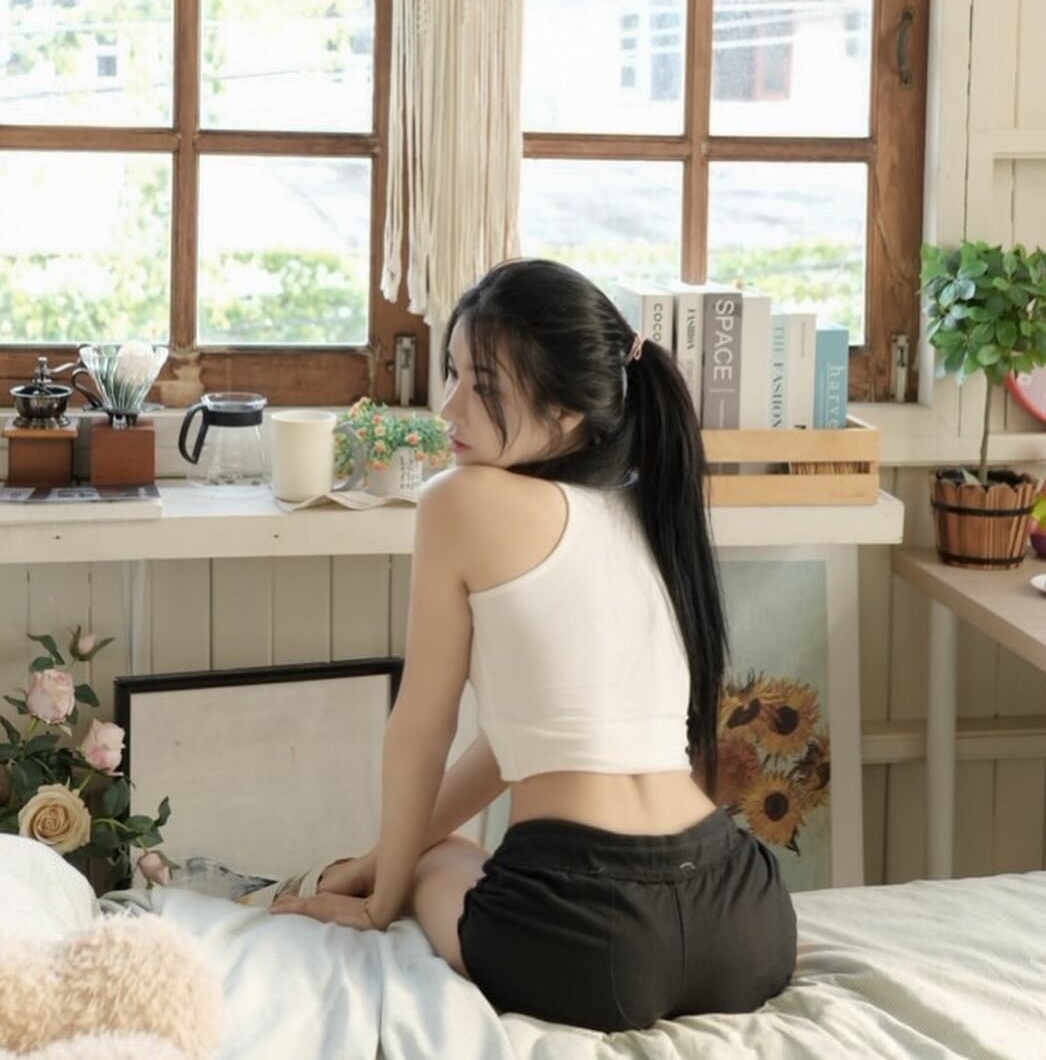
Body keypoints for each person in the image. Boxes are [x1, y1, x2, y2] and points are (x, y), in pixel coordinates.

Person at [272, 258, 797, 1031]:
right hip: (744, 912)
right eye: (452, 374)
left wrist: (383, 893)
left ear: (565, 410)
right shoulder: (646, 508)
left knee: (439, 854)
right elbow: (525, 736)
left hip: (589, 935)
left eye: (482, 386)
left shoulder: (460, 499)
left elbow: (422, 727)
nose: (449, 407)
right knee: (419, 845)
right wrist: (380, 856)